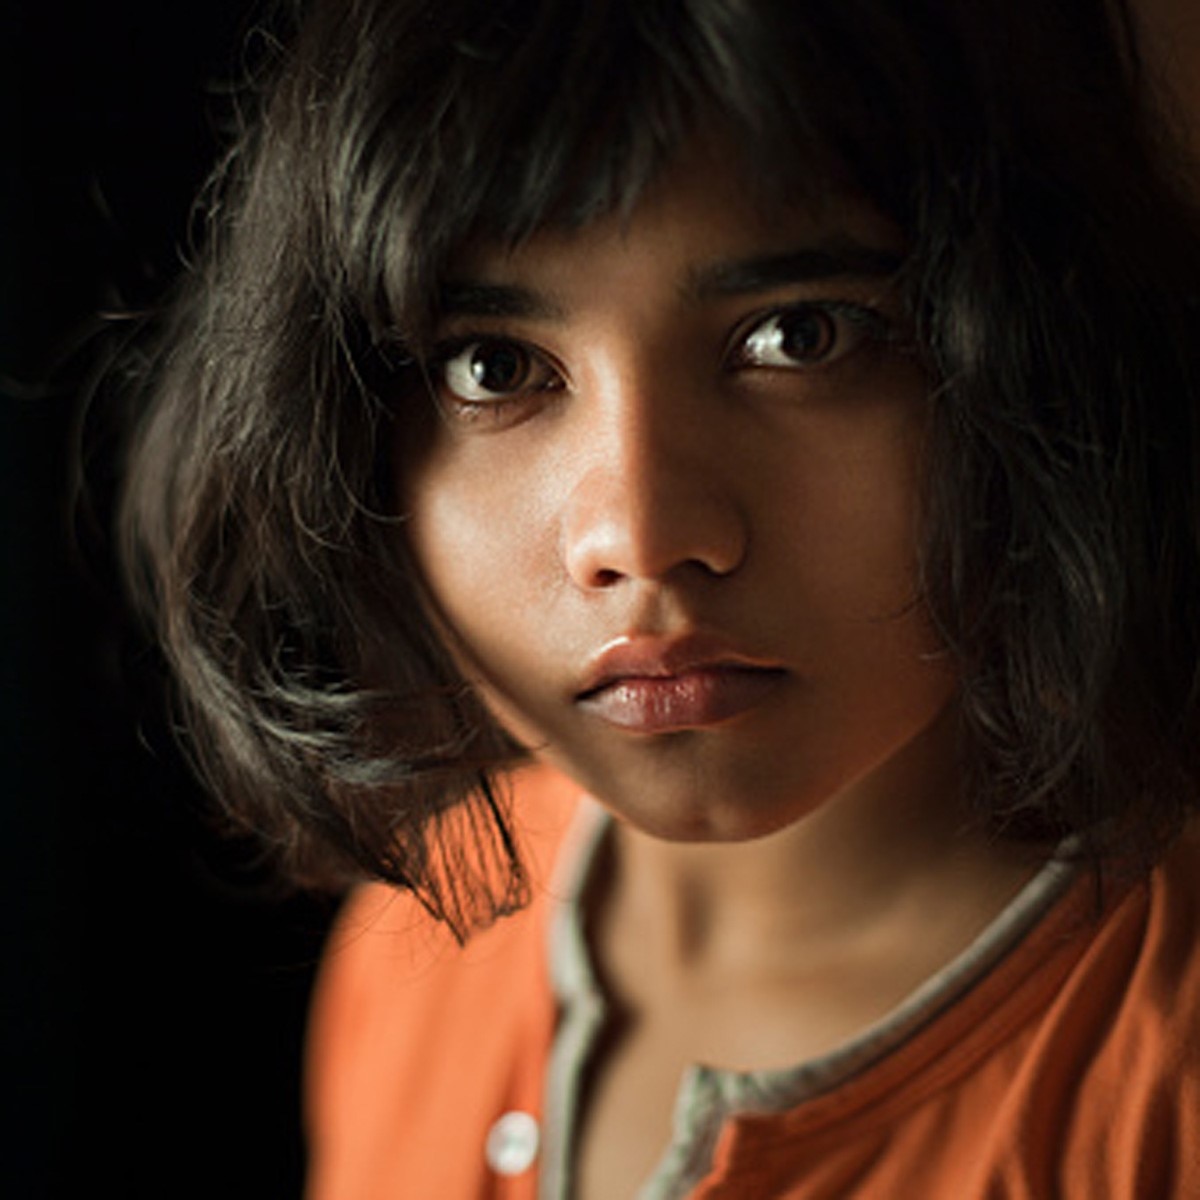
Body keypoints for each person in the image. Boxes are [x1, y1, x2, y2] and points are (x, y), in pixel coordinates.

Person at [117, 0, 1200, 1195]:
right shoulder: (426, 937)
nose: (641, 538)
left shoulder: (1161, 1076)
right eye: (496, 367)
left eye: (798, 338)